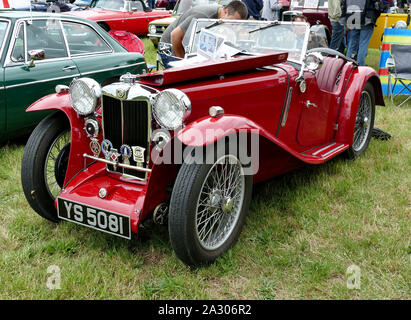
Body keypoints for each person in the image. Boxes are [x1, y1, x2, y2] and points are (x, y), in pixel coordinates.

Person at [160, 0, 248, 58]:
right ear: (225, 12)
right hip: (169, 45)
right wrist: (182, 61)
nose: (233, 27)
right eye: (232, 23)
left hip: (186, 44)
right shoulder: (203, 16)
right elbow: (175, 35)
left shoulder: (221, 17)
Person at [343, 0, 385, 65]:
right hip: (366, 18)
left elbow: (344, 3)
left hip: (352, 17)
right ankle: (360, 67)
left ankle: (348, 66)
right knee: (363, 44)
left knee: (352, 44)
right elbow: (378, 5)